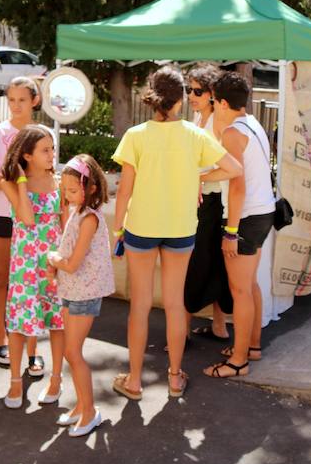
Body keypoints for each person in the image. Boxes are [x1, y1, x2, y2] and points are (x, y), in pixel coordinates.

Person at [111, 66, 242, 400]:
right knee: (174, 304)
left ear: (152, 98)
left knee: (140, 305)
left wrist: (117, 228)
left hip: (141, 227)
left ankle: (134, 381)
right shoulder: (194, 135)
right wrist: (199, 177)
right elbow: (233, 168)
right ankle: (173, 377)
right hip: (181, 229)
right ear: (180, 99)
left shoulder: (136, 135)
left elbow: (124, 190)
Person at [201, 71, 275, 379]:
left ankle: (239, 361)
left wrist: (230, 232)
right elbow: (234, 173)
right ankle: (251, 347)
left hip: (245, 218)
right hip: (262, 213)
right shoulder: (253, 124)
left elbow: (237, 184)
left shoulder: (233, 132)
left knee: (240, 290)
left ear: (221, 102)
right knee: (250, 285)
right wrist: (200, 177)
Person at [0, 77, 43, 369]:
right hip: (3, 215)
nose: (16, 106)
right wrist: (16, 184)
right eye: (12, 100)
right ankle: (0, 338)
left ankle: (32, 347)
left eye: (22, 100)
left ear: (34, 101)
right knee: (1, 277)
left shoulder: (42, 134)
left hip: (35, 217)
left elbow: (48, 177)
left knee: (32, 280)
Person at [46, 154, 114, 437]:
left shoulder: (89, 219)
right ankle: (81, 406)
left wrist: (53, 259)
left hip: (84, 292)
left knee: (73, 352)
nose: (67, 196)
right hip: (73, 289)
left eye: (73, 190)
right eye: (65, 190)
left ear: (92, 187)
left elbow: (73, 263)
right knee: (71, 352)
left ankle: (89, 412)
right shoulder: (78, 212)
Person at [0, 125, 65, 409]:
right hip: (24, 266)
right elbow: (26, 217)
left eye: (52, 149)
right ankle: (15, 382)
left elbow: (65, 225)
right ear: (27, 155)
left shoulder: (60, 183)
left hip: (53, 264)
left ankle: (56, 380)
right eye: (45, 150)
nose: (52, 155)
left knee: (58, 323)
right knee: (18, 325)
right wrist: (22, 181)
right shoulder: (10, 184)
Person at [183, 64, 231, 341]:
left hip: (214, 202)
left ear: (212, 93)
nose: (191, 95)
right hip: (199, 200)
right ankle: (211, 327)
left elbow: (229, 166)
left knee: (205, 263)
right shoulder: (197, 118)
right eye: (188, 90)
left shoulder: (218, 122)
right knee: (202, 262)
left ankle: (191, 330)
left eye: (197, 91)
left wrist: (199, 178)